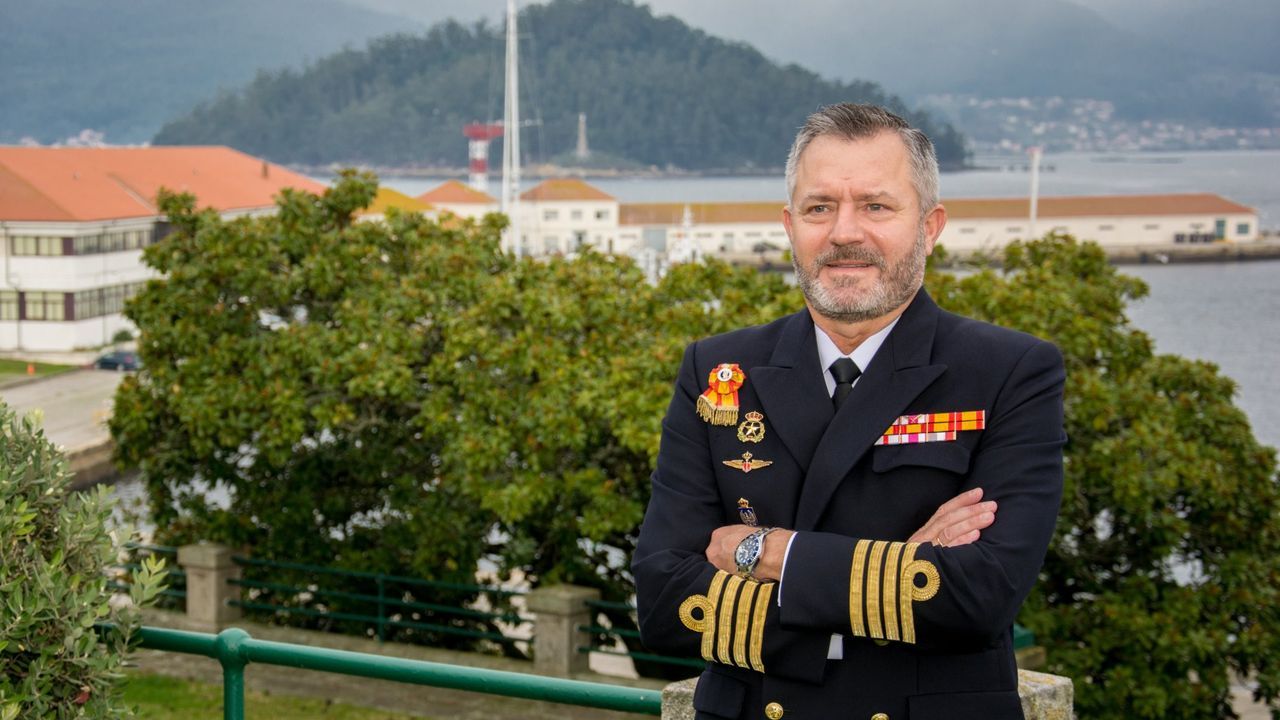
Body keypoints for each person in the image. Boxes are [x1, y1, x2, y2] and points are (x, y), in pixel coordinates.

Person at [632, 103, 1065, 720]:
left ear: (930, 226)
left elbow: (980, 597)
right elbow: (662, 602)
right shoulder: (718, 370)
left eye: (876, 206)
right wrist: (896, 578)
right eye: (819, 208)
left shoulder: (1008, 372)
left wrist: (768, 553)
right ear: (790, 226)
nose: (844, 233)